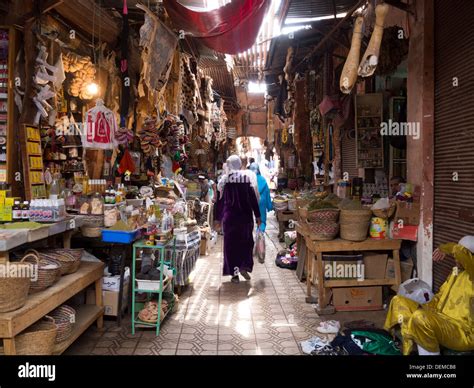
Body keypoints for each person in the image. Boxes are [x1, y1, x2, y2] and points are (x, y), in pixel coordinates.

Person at [384, 235, 474, 355]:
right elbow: (439, 297)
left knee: (420, 317)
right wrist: (424, 307)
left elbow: (459, 251)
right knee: (398, 301)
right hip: (441, 319)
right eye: (455, 257)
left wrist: (444, 248)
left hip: (463, 332)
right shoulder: (456, 273)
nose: (456, 259)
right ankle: (393, 339)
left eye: (459, 256)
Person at [215, 155, 261, 283]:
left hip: (230, 219)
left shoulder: (224, 180)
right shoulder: (246, 179)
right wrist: (258, 216)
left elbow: (221, 202)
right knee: (246, 243)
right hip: (245, 219)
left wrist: (218, 219)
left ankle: (234, 274)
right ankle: (243, 267)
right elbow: (253, 199)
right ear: (239, 164)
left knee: (231, 246)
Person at [249, 162, 273, 232]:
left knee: (249, 219)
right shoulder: (263, 179)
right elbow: (267, 193)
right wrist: (269, 206)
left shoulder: (248, 179)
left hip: (250, 201)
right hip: (261, 201)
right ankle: (260, 233)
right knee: (262, 220)